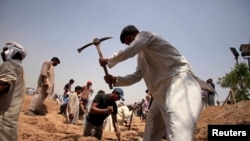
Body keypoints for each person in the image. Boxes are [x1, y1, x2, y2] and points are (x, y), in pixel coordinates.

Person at [99, 25, 215, 141]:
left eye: (129, 41)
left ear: (136, 33)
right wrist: (115, 79)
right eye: (127, 44)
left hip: (179, 82)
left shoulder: (146, 35)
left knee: (178, 125)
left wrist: (109, 60)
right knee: (152, 124)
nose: (129, 45)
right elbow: (136, 76)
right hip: (160, 94)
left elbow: (131, 50)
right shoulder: (141, 57)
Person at [0, 42, 27, 141]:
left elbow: (3, 87)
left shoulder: (9, 65)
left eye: (4, 50)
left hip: (2, 119)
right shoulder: (19, 68)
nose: (2, 53)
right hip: (10, 122)